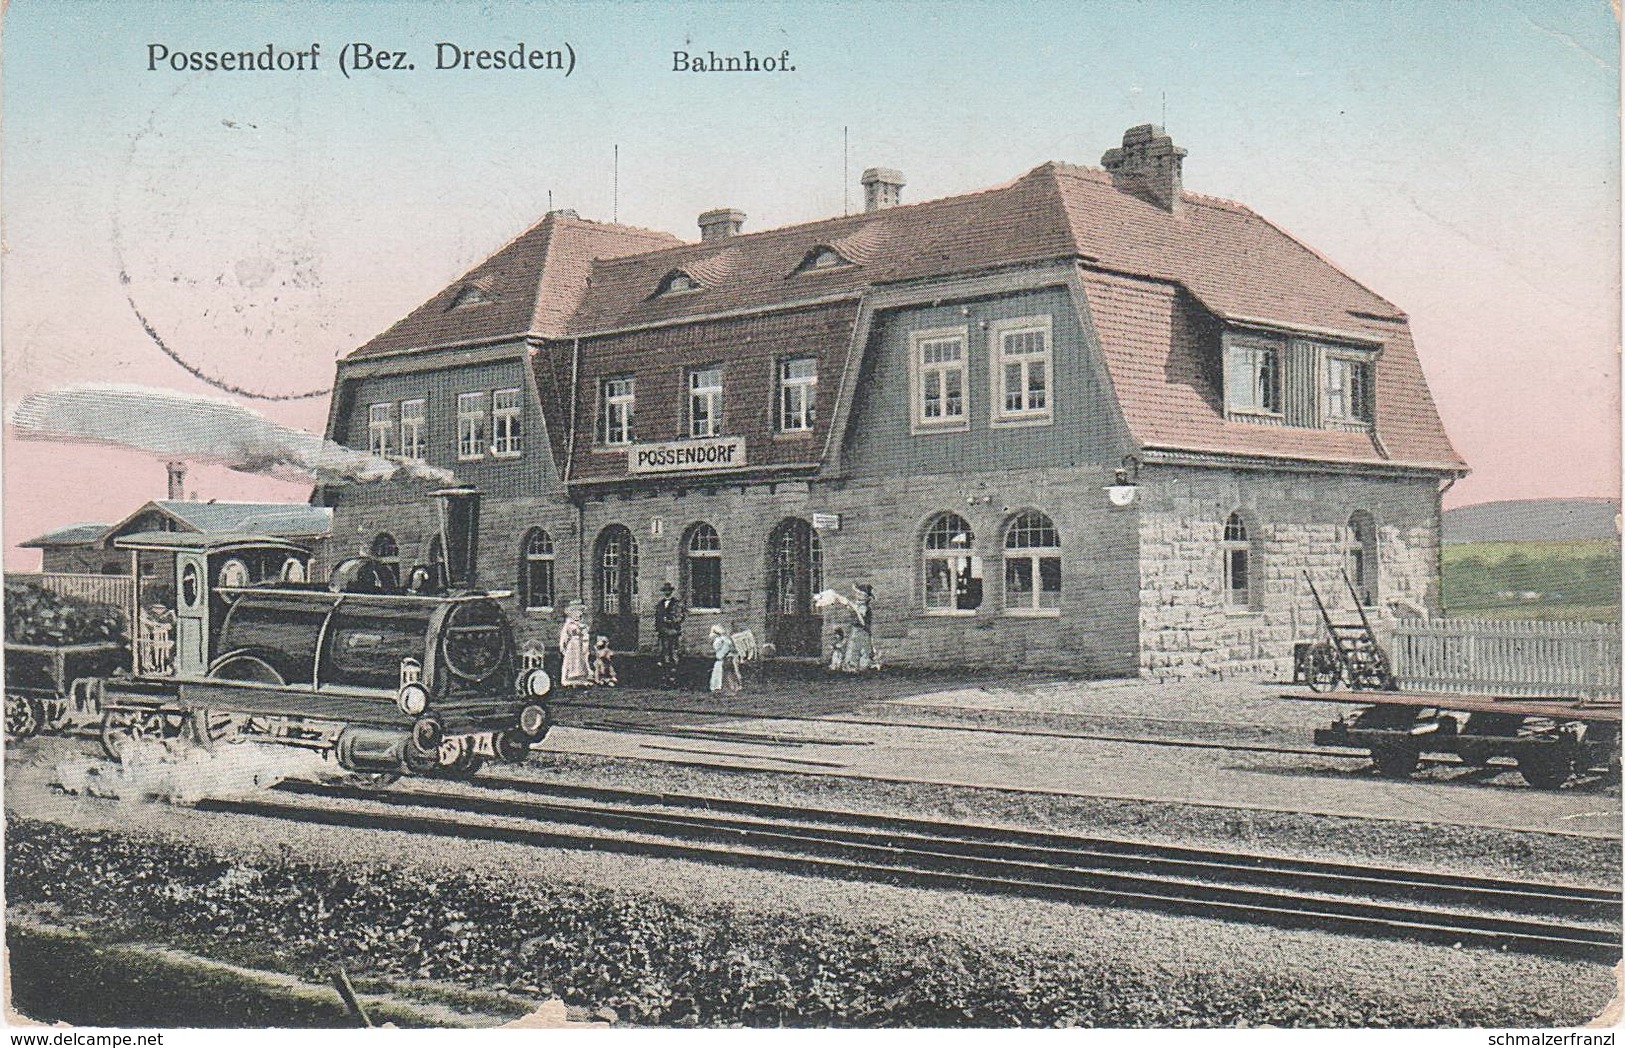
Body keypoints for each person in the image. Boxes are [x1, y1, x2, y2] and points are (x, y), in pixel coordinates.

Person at [842, 583, 878, 673]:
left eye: (860, 594)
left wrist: (854, 610)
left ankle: (862, 665)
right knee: (853, 646)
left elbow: (861, 618)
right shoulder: (858, 605)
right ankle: (851, 666)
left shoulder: (863, 607)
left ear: (866, 597)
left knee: (861, 647)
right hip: (856, 629)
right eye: (857, 594)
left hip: (861, 630)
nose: (857, 596)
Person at [558, 602, 593, 687]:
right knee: (571, 660)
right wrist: (562, 644)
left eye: (580, 612)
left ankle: (580, 677)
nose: (578, 614)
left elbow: (585, 635)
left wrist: (586, 644)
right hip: (572, 644)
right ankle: (569, 678)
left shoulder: (582, 625)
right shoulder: (569, 624)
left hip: (580, 644)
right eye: (576, 612)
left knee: (580, 660)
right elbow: (564, 635)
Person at [654, 582, 686, 671]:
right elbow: (657, 616)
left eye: (669, 590)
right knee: (664, 647)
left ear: (671, 591)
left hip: (673, 629)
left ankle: (674, 665)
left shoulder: (676, 603)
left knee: (673, 647)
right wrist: (658, 627)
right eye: (665, 590)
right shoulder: (660, 603)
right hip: (663, 630)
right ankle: (665, 664)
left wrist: (671, 621)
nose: (667, 592)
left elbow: (681, 616)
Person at [709, 623, 741, 695]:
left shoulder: (723, 640)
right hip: (724, 658)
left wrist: (720, 656)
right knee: (721, 674)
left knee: (727, 674)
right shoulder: (724, 639)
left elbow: (725, 649)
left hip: (725, 659)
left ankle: (730, 689)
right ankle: (719, 688)